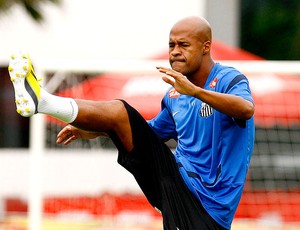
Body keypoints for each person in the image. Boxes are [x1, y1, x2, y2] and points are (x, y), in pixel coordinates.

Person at [8, 16, 255, 230]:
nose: (175, 51)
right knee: (120, 113)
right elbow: (146, 133)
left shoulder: (227, 79)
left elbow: (246, 109)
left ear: (205, 47)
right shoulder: (173, 96)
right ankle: (42, 101)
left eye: (183, 45)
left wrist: (195, 92)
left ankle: (42, 101)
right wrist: (99, 131)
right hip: (173, 183)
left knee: (120, 113)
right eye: (171, 45)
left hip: (209, 208)